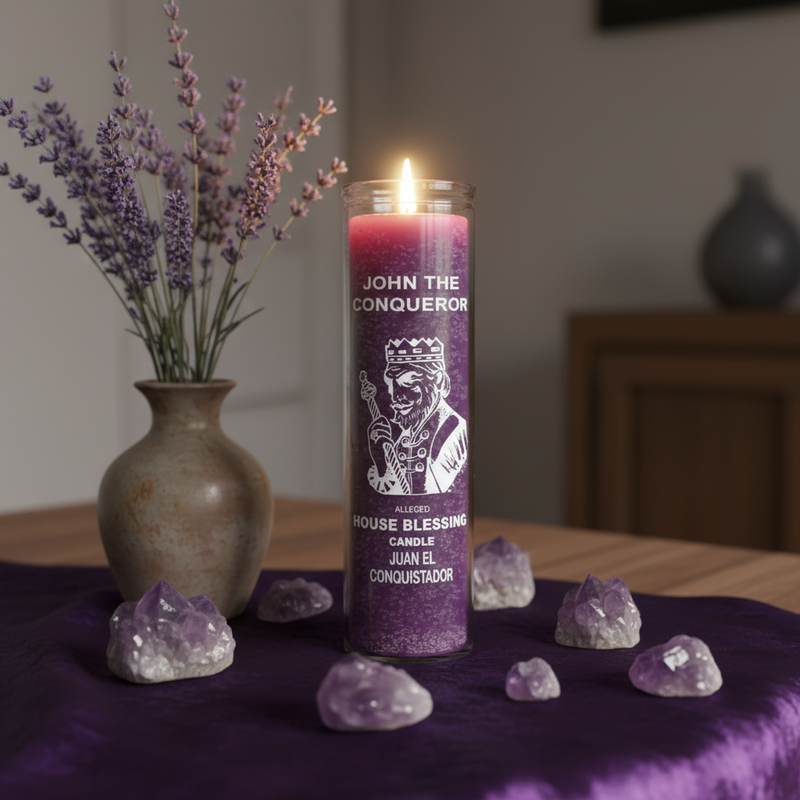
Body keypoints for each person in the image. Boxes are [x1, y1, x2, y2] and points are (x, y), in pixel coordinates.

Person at [362, 337, 467, 495]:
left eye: (407, 384)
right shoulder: (410, 430)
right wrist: (381, 462)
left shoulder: (456, 431)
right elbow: (396, 492)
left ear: (437, 380)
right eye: (394, 386)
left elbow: (438, 494)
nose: (396, 397)